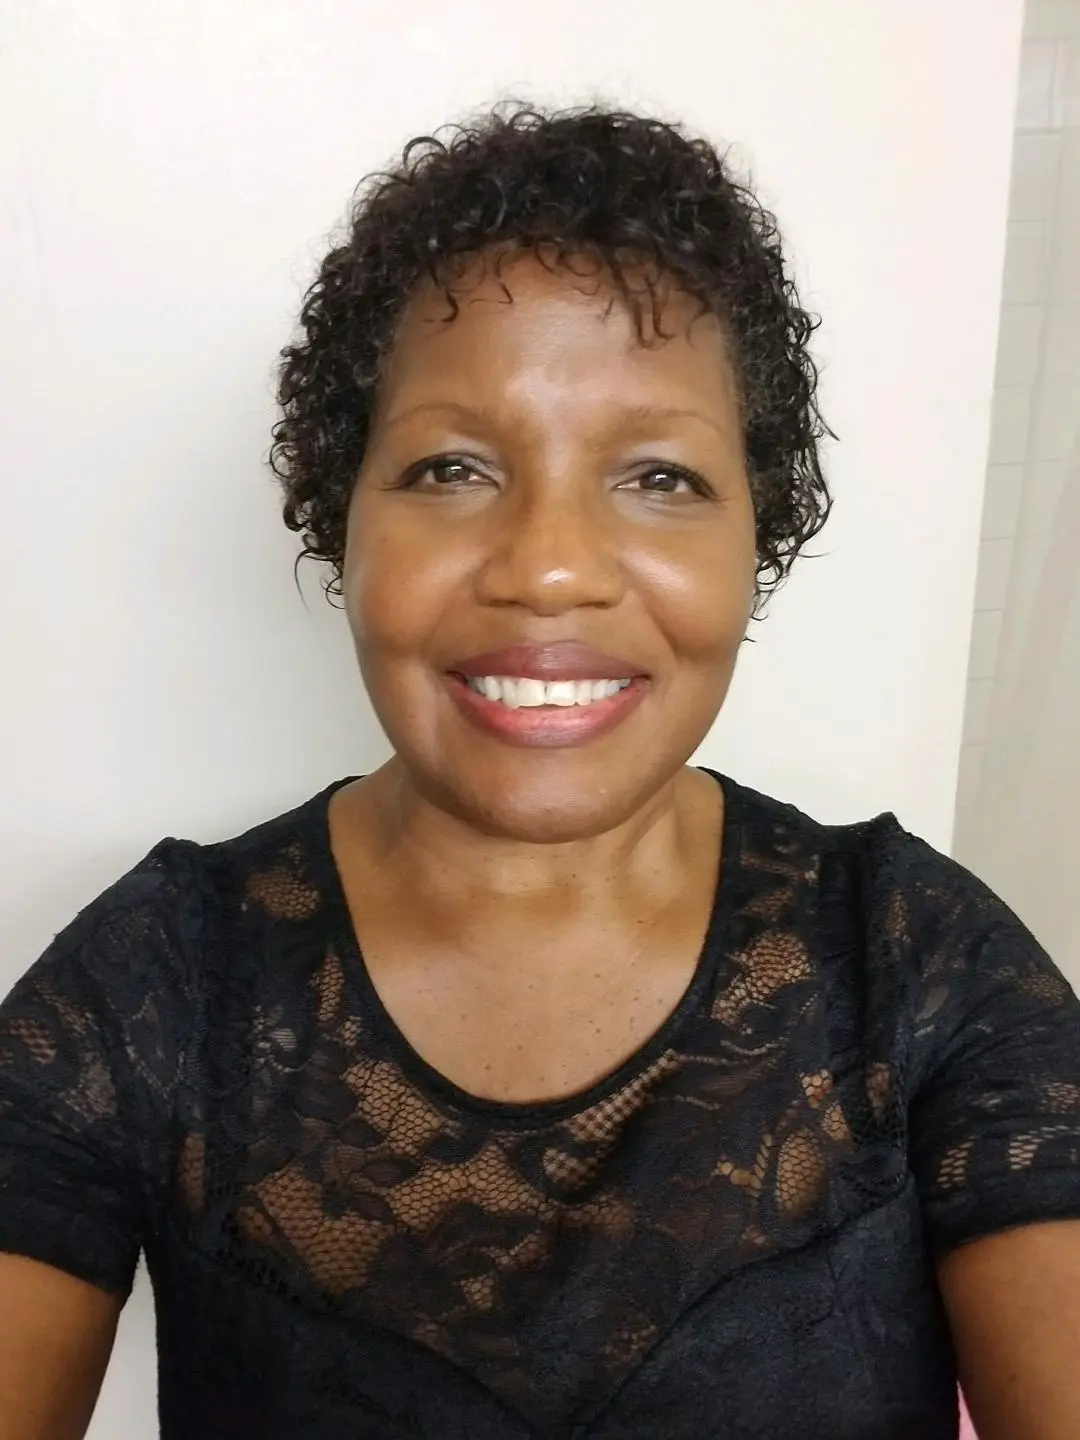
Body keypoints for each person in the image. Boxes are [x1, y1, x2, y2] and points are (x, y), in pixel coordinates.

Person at [1, 103, 1078, 1440]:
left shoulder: (922, 966)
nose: (549, 564)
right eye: (451, 467)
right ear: (346, 514)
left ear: (762, 532)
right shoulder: (152, 991)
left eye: (661, 476)